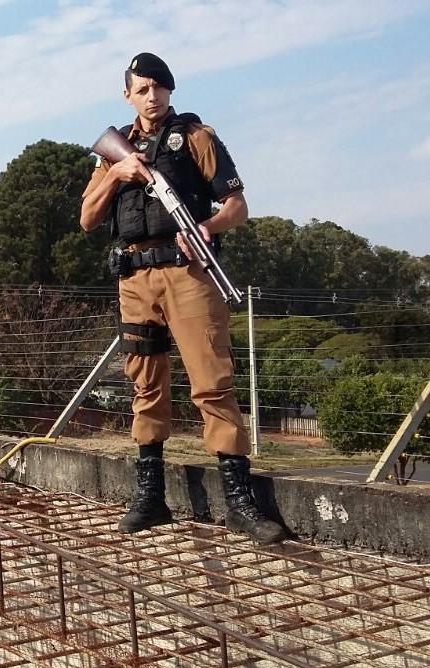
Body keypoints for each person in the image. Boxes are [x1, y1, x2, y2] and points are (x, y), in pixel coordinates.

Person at [80, 52, 284, 544]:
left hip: (188, 273)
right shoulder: (113, 150)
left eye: (160, 88)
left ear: (171, 91)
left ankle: (239, 500)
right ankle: (149, 497)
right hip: (134, 280)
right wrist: (117, 173)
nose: (152, 97)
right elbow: (87, 219)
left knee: (211, 381)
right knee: (145, 385)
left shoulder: (195, 138)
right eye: (143, 88)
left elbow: (237, 206)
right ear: (127, 94)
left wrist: (207, 228)